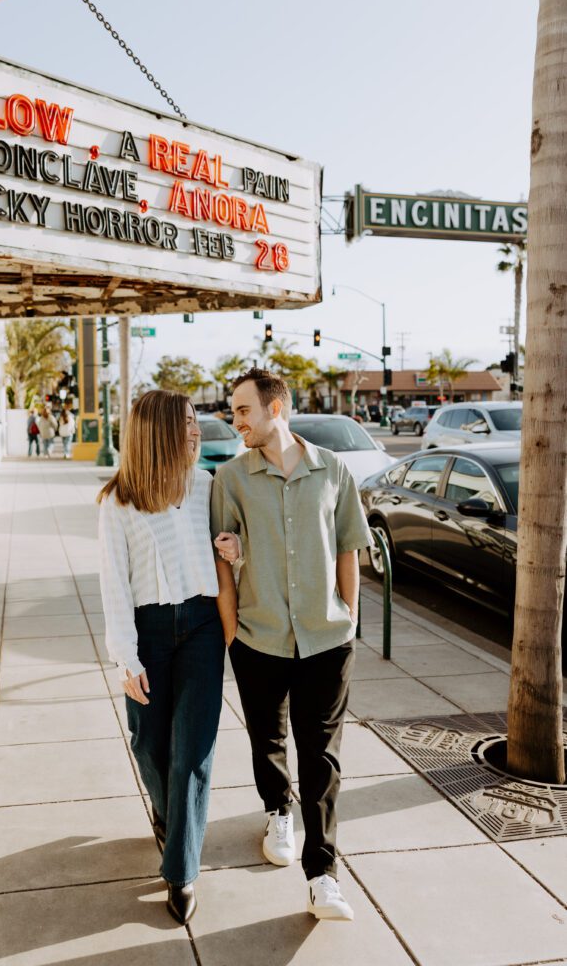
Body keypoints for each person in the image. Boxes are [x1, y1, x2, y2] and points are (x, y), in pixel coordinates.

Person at [211, 368, 372, 922]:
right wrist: (232, 634)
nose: (237, 420)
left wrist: (347, 616)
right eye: (234, 411)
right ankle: (278, 809)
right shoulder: (230, 478)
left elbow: (350, 545)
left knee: (322, 755)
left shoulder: (334, 471)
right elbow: (222, 562)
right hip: (258, 638)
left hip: (327, 637)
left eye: (243, 410)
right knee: (267, 737)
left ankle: (322, 873)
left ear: (274, 409)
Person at [97, 390, 240, 925]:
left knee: (192, 752)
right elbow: (113, 584)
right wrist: (125, 658)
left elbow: (228, 555)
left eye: (195, 421)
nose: (195, 431)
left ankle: (181, 871)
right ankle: (170, 815)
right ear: (157, 431)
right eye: (185, 423)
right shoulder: (118, 501)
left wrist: (234, 551)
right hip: (148, 634)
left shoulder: (207, 486)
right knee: (150, 747)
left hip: (202, 627)